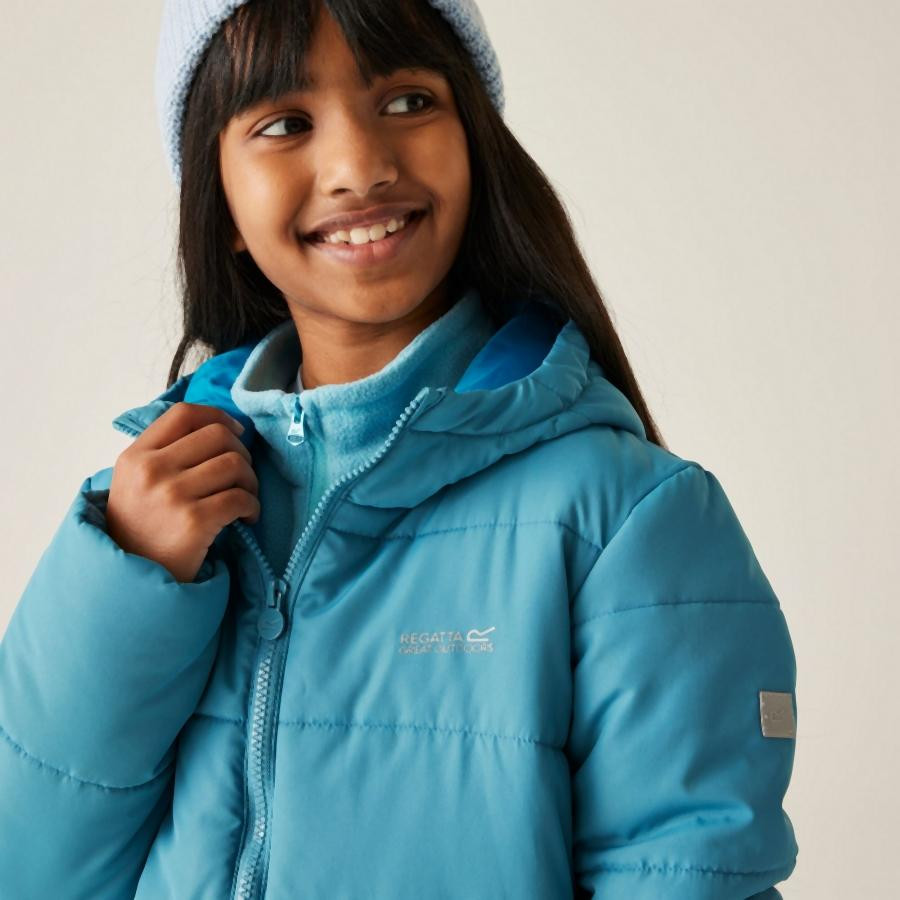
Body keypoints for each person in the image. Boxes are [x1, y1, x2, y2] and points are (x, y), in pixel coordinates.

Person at [0, 0, 799, 897]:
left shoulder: (626, 521)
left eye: (409, 102)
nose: (359, 168)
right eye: (285, 123)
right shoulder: (154, 518)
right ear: (218, 200)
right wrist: (126, 584)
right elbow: (29, 867)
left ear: (474, 142)